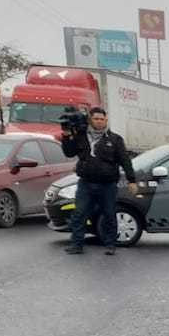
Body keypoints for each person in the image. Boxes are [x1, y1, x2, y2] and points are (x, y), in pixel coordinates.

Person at [62, 107, 137, 255]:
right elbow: (69, 152)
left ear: (106, 120)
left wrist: (131, 180)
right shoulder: (81, 136)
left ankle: (110, 245)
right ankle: (77, 244)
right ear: (90, 119)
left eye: (102, 119)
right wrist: (66, 136)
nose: (99, 121)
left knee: (109, 214)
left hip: (107, 184)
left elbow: (125, 161)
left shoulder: (114, 139)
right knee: (80, 213)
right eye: (96, 119)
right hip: (86, 183)